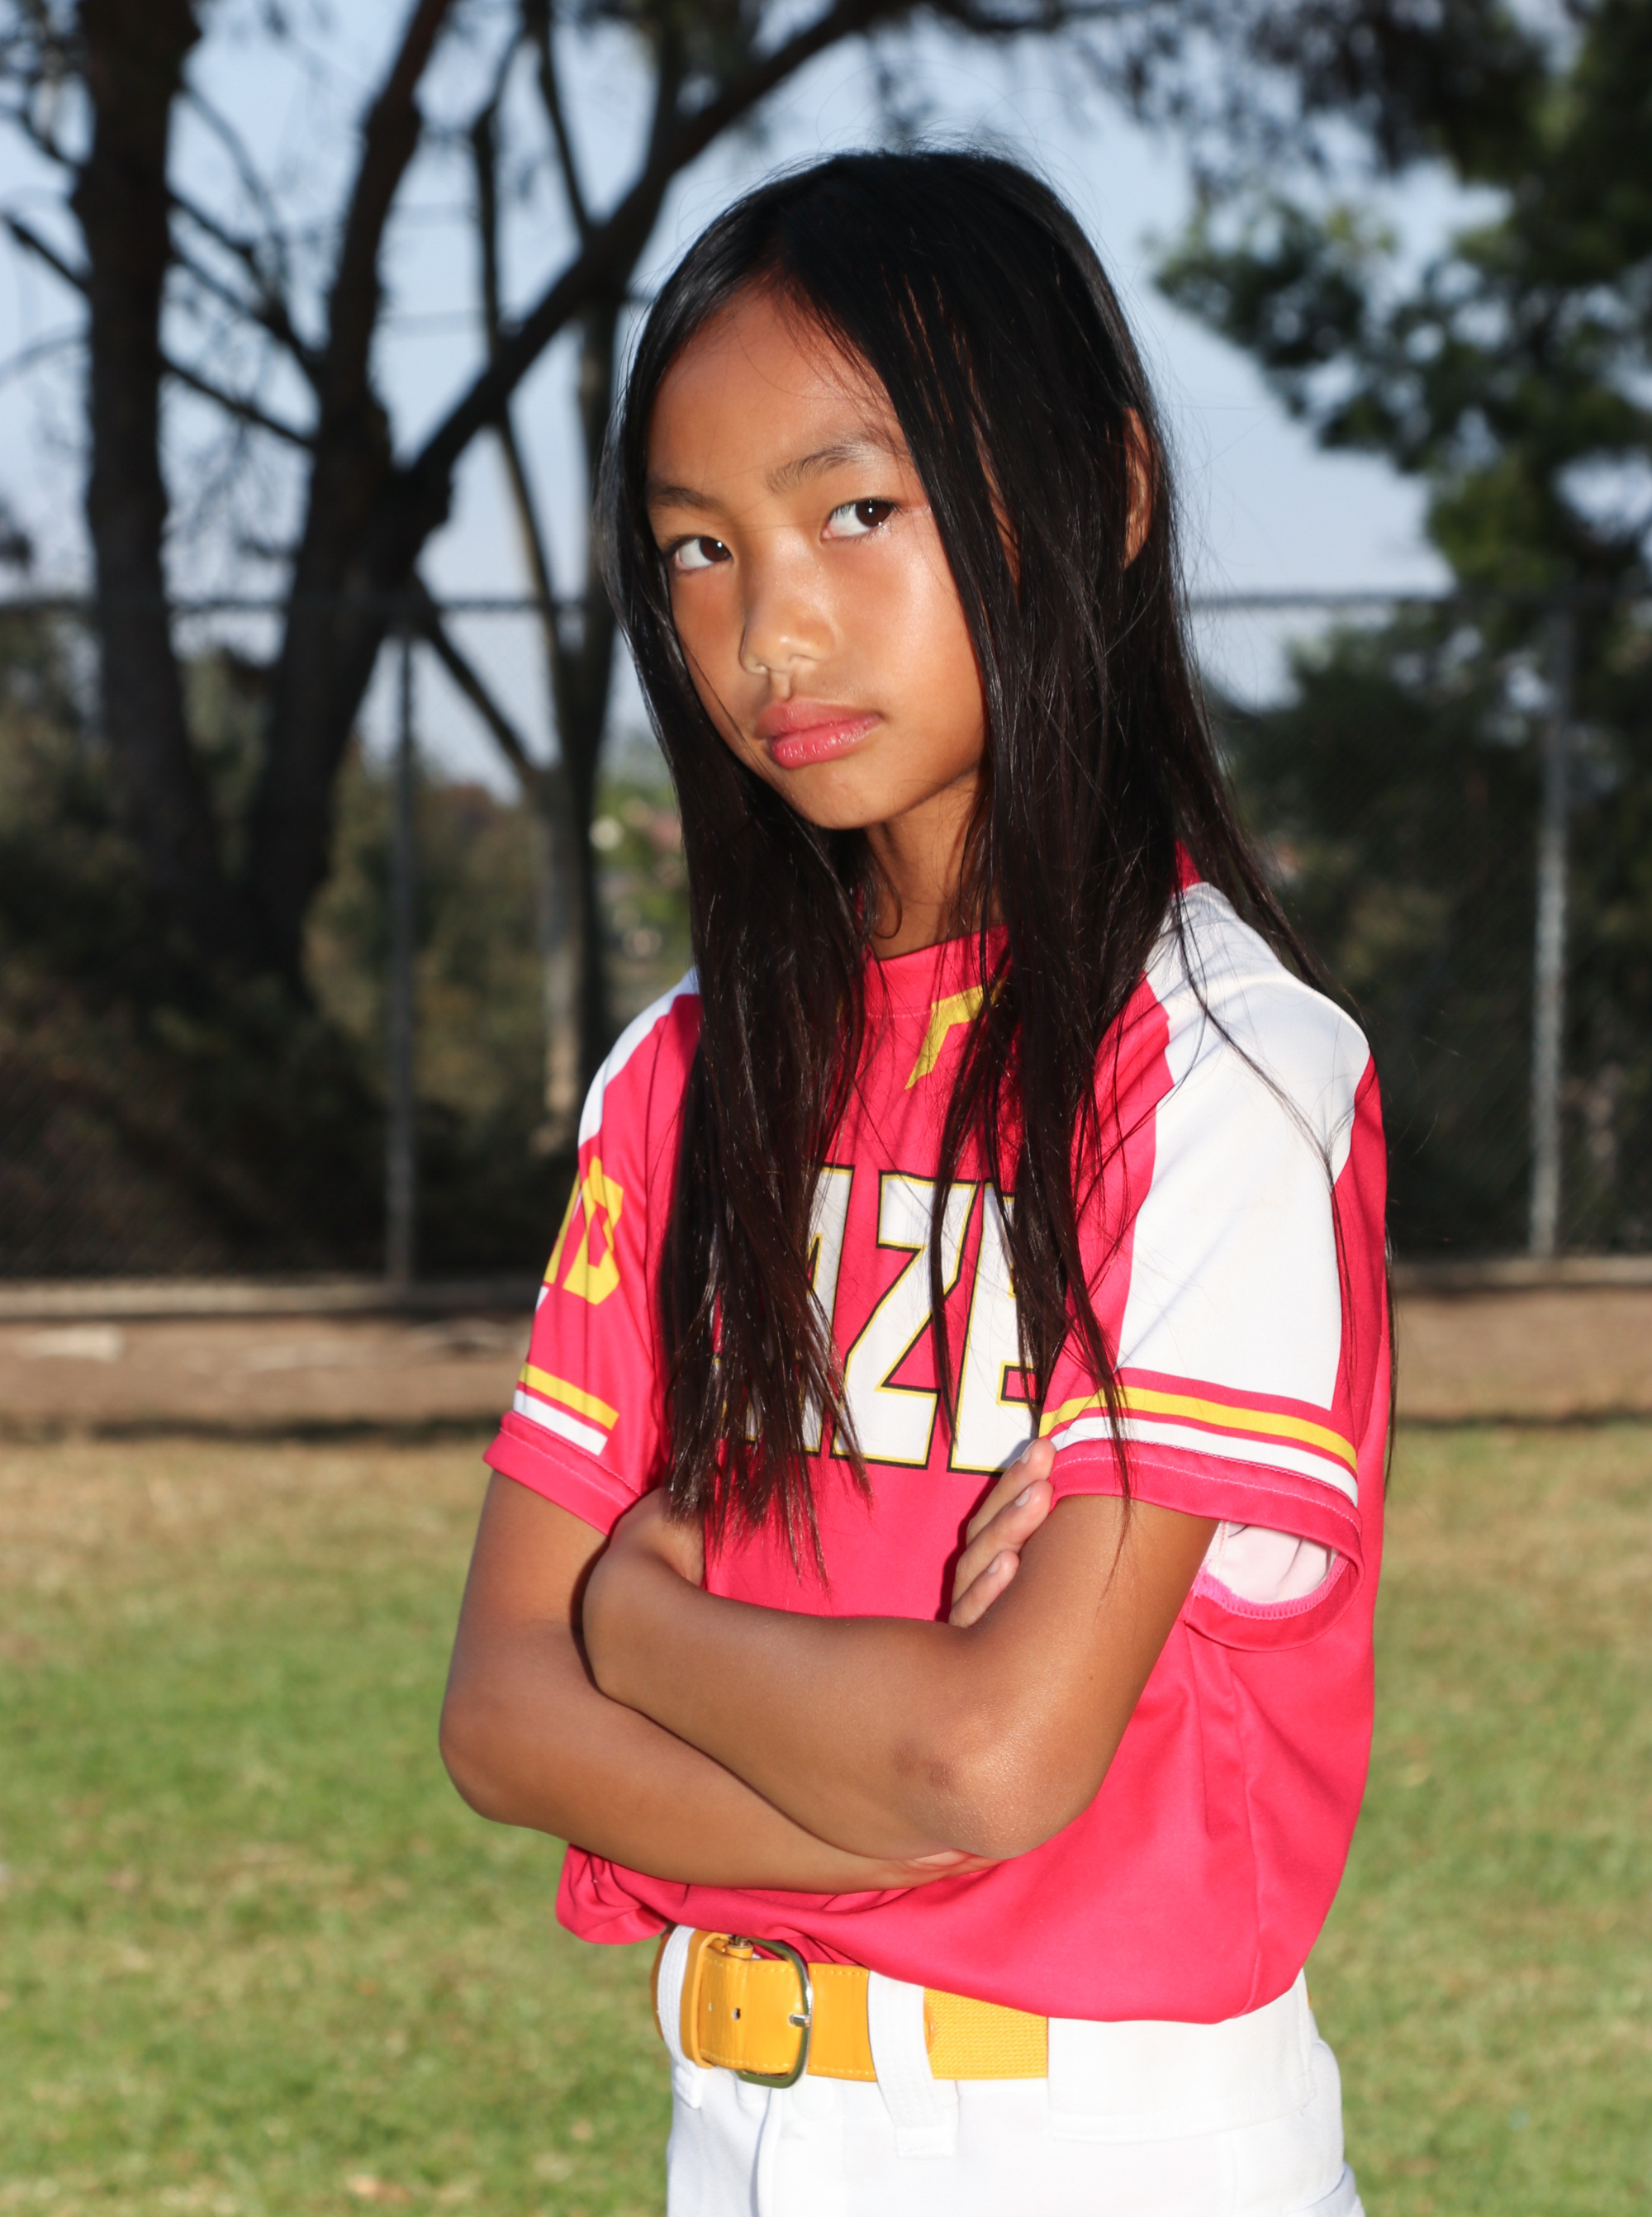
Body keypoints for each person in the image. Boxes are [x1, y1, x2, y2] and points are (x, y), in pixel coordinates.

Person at [440, 150, 1388, 2217]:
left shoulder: (1216, 1065)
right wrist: (891, 1801)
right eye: (697, 549)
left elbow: (989, 1751)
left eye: (856, 510)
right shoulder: (684, 1074)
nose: (770, 627)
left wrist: (640, 1613)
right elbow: (502, 1711)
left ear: (1101, 493)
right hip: (736, 2124)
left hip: (1106, 2147)